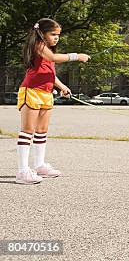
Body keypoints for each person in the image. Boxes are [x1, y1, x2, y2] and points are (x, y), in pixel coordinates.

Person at [16, 18, 90, 184]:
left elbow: (50, 73)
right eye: (53, 34)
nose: (56, 37)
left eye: (58, 35)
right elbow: (55, 58)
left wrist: (62, 86)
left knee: (42, 131)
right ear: (42, 33)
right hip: (31, 91)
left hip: (46, 93)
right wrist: (77, 56)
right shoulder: (39, 46)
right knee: (27, 131)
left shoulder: (46, 49)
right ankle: (22, 171)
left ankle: (40, 165)